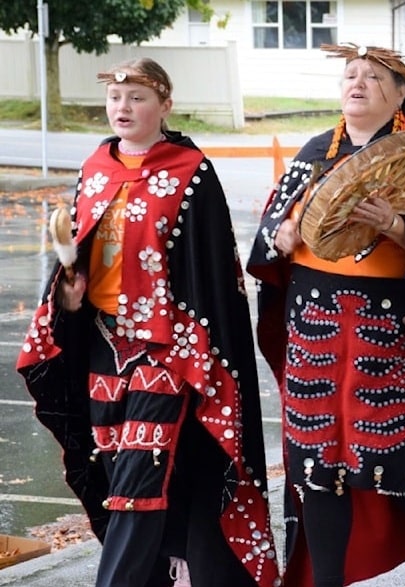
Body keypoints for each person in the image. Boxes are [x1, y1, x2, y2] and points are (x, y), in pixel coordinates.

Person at [245, 43, 405, 587]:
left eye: (372, 77)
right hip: (314, 330)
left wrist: (396, 224)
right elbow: (268, 235)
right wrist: (281, 234)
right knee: (317, 465)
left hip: (388, 333)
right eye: (350, 75)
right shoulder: (315, 152)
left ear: (397, 94)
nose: (357, 84)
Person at [17, 58, 279, 587]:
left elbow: (212, 272)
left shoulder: (191, 170)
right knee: (117, 473)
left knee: (139, 479)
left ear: (164, 105)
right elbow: (79, 257)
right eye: (116, 98)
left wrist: (197, 352)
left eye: (137, 97)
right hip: (100, 341)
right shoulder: (95, 167)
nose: (123, 108)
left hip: (167, 350)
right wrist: (67, 297)